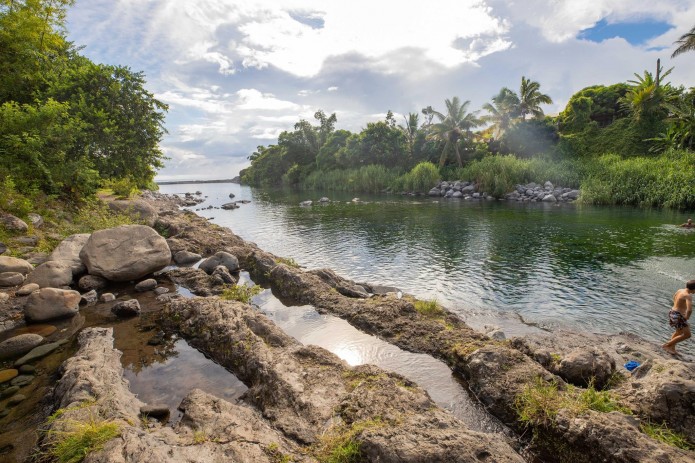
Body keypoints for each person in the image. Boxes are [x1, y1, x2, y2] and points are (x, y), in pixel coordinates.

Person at [662, 280, 694, 355]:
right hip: (678, 315)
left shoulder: (680, 290)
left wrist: (678, 307)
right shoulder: (688, 296)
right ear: (693, 289)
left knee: (678, 332)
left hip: (672, 311)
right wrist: (686, 317)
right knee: (687, 335)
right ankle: (667, 345)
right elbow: (689, 310)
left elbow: (674, 297)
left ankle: (672, 348)